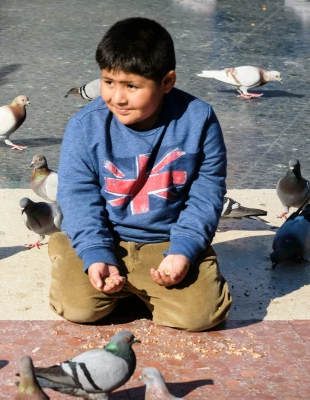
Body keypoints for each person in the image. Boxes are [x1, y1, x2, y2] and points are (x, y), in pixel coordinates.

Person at [50, 17, 231, 332]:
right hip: (107, 235)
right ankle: (70, 246)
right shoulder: (84, 126)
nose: (117, 98)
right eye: (109, 82)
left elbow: (207, 193)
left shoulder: (199, 120)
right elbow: (78, 195)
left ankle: (150, 285)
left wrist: (184, 250)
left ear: (167, 82)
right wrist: (95, 252)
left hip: (166, 240)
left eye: (131, 86)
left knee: (202, 317)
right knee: (78, 308)